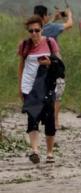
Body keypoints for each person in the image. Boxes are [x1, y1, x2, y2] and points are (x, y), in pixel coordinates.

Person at [18, 15, 63, 164]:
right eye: (31, 31)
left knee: (49, 119)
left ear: (42, 29)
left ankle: (50, 152)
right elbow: (21, 66)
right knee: (32, 118)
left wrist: (50, 63)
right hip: (29, 87)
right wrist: (20, 86)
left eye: (37, 30)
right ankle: (35, 151)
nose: (34, 33)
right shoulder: (25, 45)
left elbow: (60, 65)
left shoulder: (50, 43)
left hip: (47, 86)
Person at [34, 5, 73, 131]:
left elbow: (46, 26)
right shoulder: (51, 28)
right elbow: (69, 24)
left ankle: (39, 119)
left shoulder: (34, 29)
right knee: (56, 94)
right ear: (44, 16)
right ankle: (55, 122)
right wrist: (69, 14)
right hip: (54, 64)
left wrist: (54, 18)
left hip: (40, 64)